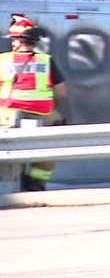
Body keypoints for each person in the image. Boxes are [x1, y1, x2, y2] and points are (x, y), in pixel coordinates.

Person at [0, 14, 67, 191]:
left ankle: (7, 179)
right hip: (42, 115)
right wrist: (52, 108)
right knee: (49, 145)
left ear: (19, 40)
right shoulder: (46, 61)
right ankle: (36, 181)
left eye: (13, 39)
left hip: (6, 115)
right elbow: (61, 93)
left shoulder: (3, 60)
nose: (12, 42)